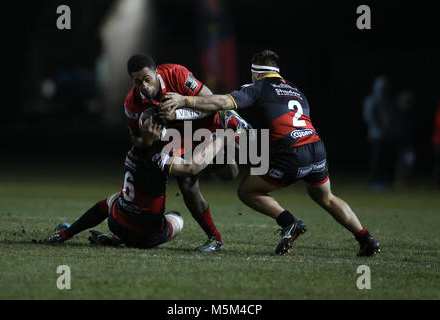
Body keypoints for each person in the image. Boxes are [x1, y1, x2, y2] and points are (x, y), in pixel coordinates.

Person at [159, 49, 381, 257]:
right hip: (316, 147)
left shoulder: (258, 87)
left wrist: (184, 99)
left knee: (247, 191)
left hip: (292, 153)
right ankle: (366, 238)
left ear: (256, 72)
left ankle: (289, 222)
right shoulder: (296, 90)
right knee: (326, 197)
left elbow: (224, 102)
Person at [48, 115, 235, 248]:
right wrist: (220, 139)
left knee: (113, 199)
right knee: (177, 217)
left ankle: (66, 233)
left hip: (118, 224)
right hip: (149, 236)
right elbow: (191, 168)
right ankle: (214, 237)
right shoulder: (158, 157)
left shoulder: (133, 149)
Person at [123, 54, 246, 251]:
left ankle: (229, 128)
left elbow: (211, 100)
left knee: (229, 173)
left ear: (156, 73)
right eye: (138, 82)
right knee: (186, 181)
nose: (144, 86)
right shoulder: (132, 103)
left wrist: (182, 102)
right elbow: (136, 140)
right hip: (178, 138)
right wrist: (147, 139)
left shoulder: (176, 74)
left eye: (147, 79)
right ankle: (214, 238)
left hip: (204, 125)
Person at [363, 76, 399, 190]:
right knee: (377, 159)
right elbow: (369, 116)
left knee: (390, 159)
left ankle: (389, 181)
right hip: (376, 135)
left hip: (389, 135)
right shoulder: (372, 100)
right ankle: (376, 181)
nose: (385, 89)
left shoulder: (389, 100)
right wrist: (379, 127)